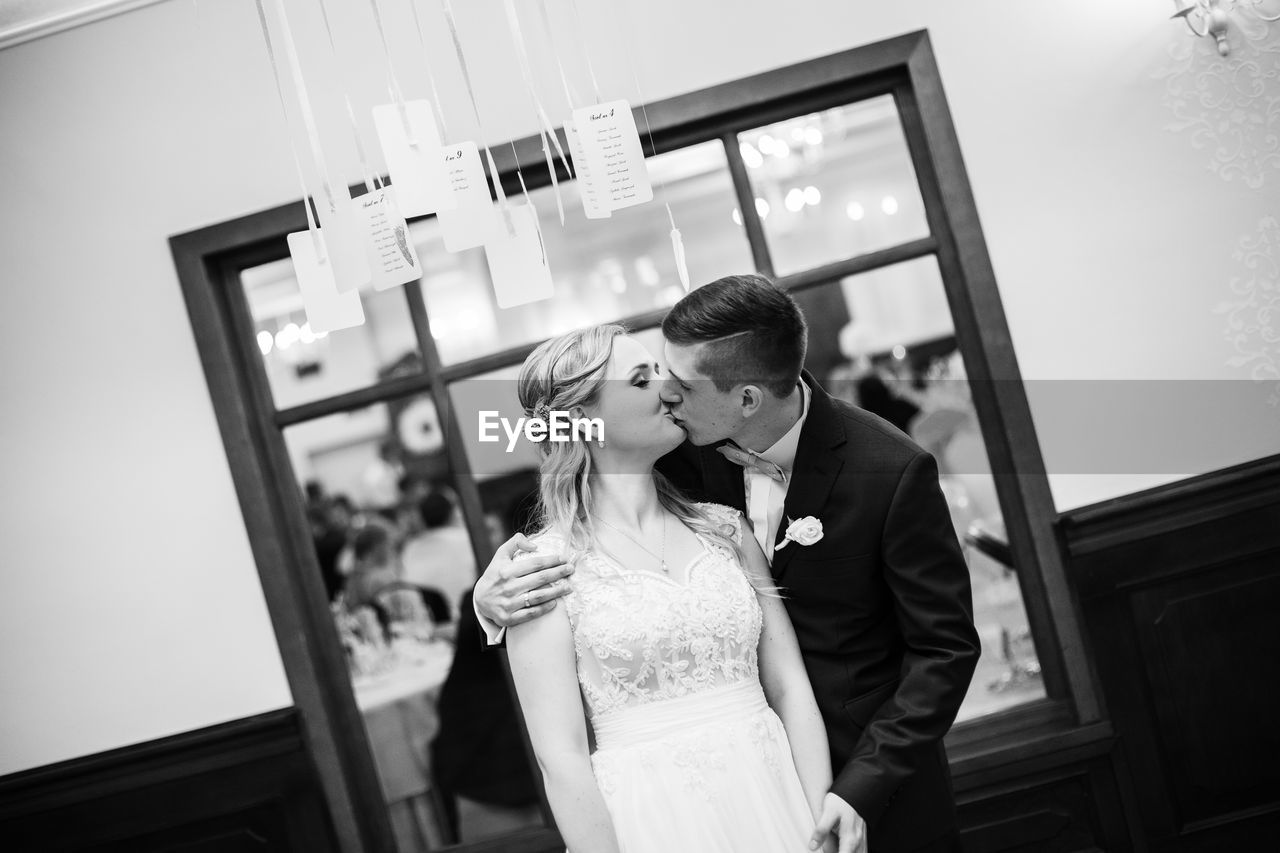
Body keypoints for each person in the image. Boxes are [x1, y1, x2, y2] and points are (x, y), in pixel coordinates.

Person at [476, 275, 980, 853]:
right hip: (663, 808)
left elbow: (945, 649)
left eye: (677, 381)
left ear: (746, 399)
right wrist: (487, 602)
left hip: (868, 777)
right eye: (650, 375)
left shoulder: (890, 470)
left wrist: (849, 792)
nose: (668, 392)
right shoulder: (680, 441)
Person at [498, 325, 834, 853]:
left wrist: (821, 819)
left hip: (774, 799)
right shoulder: (542, 570)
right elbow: (560, 757)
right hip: (653, 819)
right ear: (583, 420)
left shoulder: (725, 530)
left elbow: (790, 686)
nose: (669, 388)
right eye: (641, 379)